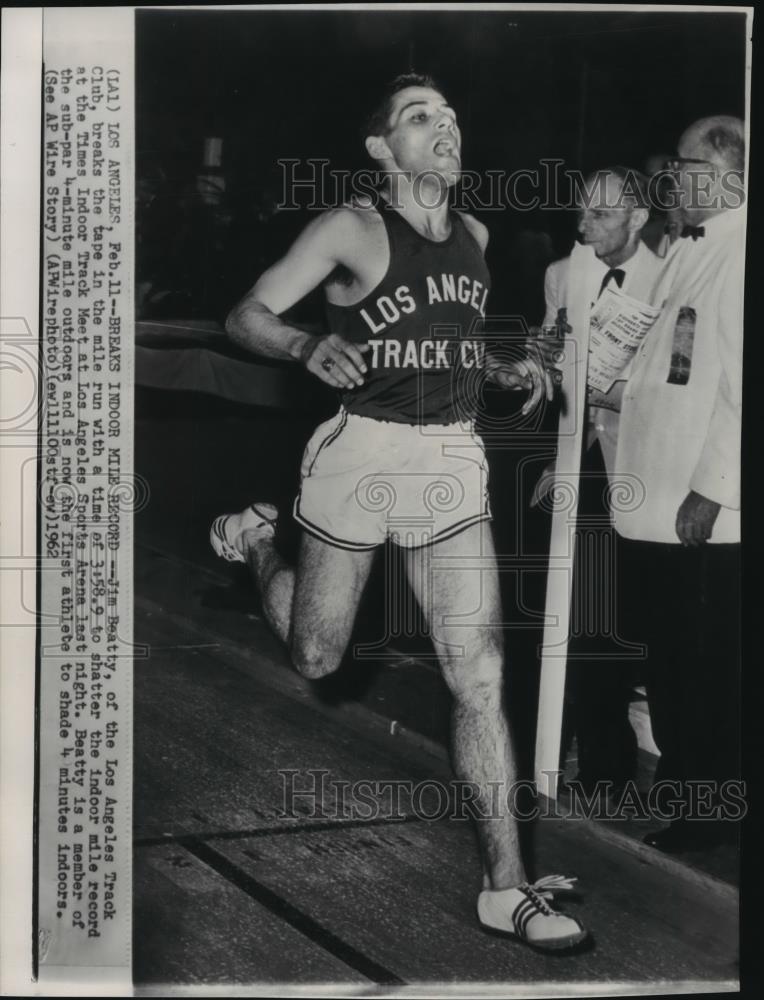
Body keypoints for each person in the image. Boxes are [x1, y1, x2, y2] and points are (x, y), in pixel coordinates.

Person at [210, 73, 589, 951]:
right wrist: (307, 342)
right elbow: (245, 315)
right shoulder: (350, 226)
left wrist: (501, 369)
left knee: (480, 673)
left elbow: (452, 346)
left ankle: (507, 887)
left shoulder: (480, 234)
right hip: (362, 450)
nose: (445, 126)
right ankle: (263, 540)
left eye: (451, 114)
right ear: (383, 150)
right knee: (316, 655)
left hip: (450, 453)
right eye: (421, 118)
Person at [612, 116, 745, 851]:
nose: (672, 182)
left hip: (703, 511)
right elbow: (671, 363)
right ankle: (689, 800)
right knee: (671, 659)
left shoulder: (741, 251)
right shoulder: (694, 248)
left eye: (686, 166)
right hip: (660, 496)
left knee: (702, 668)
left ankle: (710, 815)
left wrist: (715, 487)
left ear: (729, 171)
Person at [532, 166, 662, 799]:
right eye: (580, 213)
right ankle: (556, 757)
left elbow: (673, 387)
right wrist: (541, 361)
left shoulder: (671, 281)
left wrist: (606, 390)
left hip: (639, 465)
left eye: (601, 216)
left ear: (638, 219)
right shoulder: (563, 274)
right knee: (571, 614)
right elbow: (552, 367)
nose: (583, 227)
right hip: (577, 462)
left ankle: (610, 770)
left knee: (620, 621)